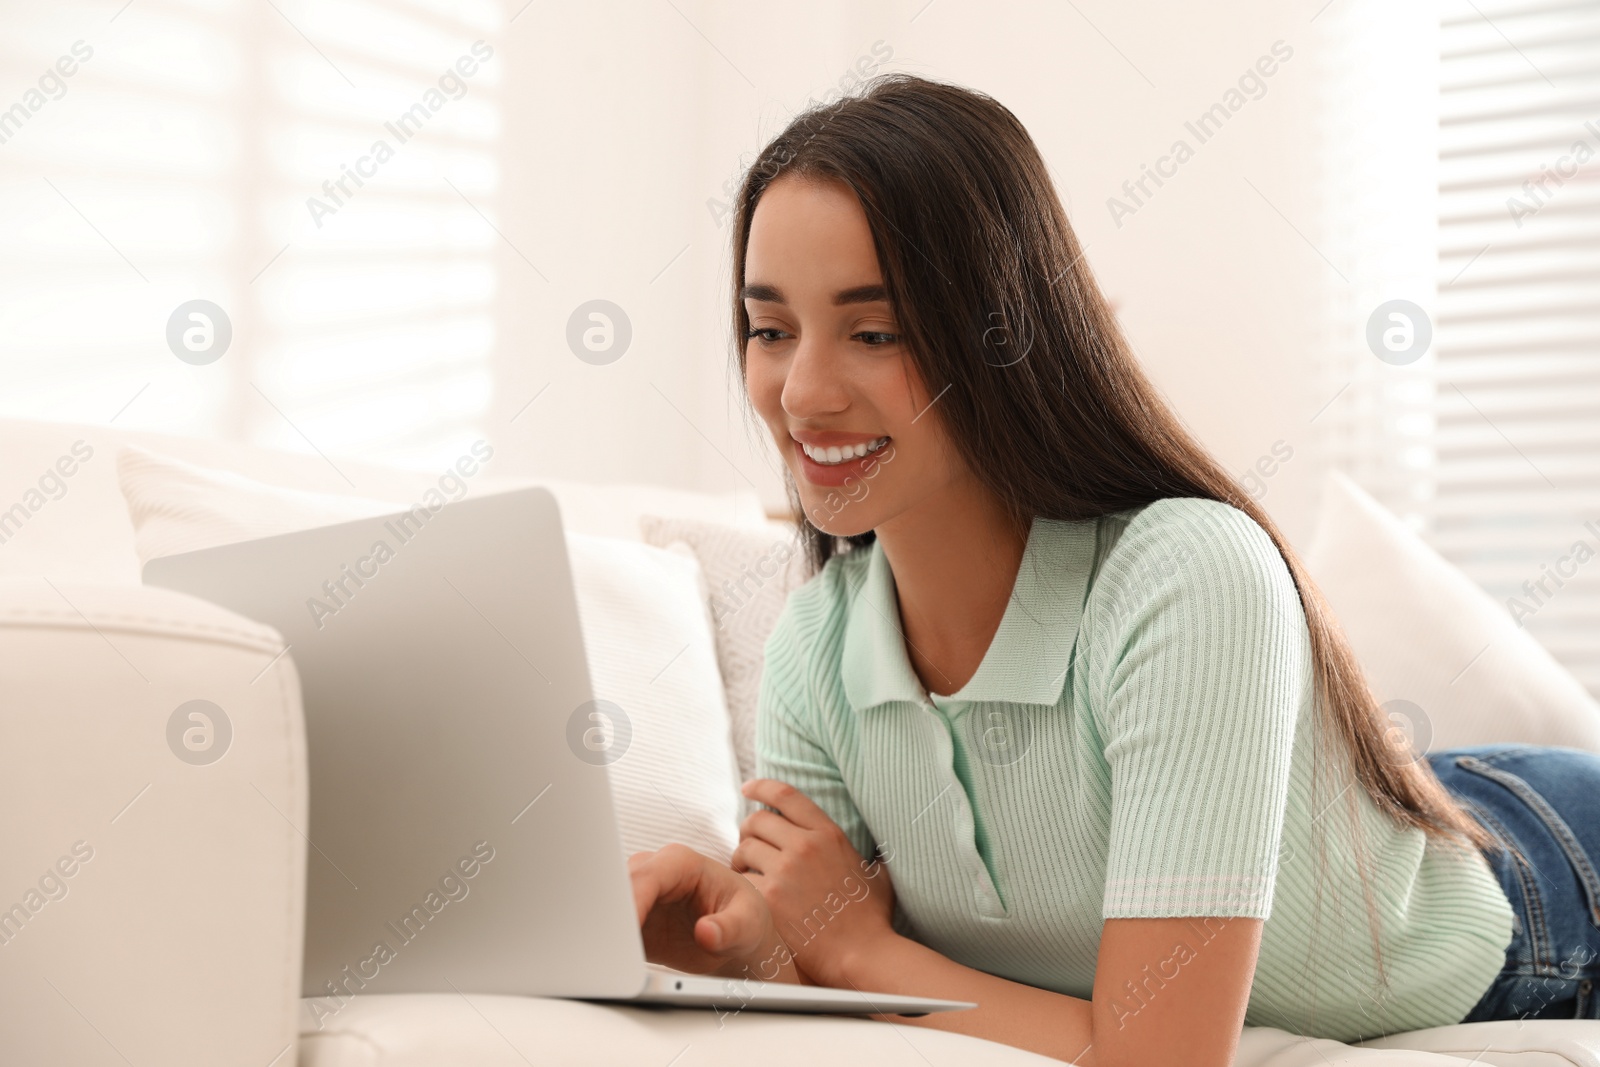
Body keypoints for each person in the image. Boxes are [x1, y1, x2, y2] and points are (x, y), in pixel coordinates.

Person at [626, 72, 1600, 1065]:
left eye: (875, 332)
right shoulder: (814, 649)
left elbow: (1158, 1057)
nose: (801, 390)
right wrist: (737, 940)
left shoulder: (1185, 575)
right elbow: (830, 987)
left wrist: (863, 948)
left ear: (1002, 337)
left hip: (1546, 894)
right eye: (770, 328)